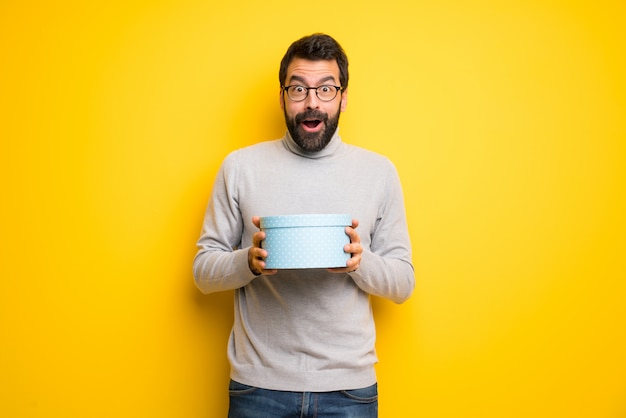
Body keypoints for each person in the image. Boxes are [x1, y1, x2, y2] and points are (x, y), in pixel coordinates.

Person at [193, 33, 414, 418]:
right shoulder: (240, 168)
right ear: (282, 97)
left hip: (349, 390)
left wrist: (361, 261)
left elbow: (403, 283)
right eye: (299, 88)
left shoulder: (379, 172)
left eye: (325, 89)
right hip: (258, 387)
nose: (312, 101)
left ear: (343, 97)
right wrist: (250, 261)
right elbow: (202, 272)